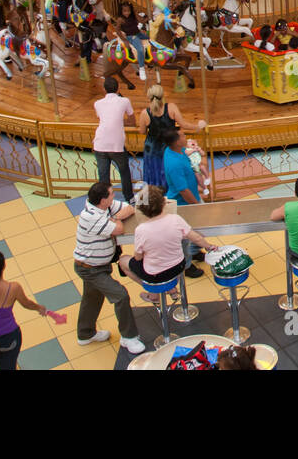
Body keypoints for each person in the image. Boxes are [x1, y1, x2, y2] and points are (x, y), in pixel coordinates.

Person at [72, 180, 145, 354]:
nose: (114, 196)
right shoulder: (90, 216)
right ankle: (129, 337)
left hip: (98, 266)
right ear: (103, 200)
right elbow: (119, 229)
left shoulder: (105, 207)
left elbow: (129, 208)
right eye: (112, 194)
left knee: (92, 298)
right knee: (120, 296)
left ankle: (85, 334)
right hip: (90, 269)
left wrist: (114, 217)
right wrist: (116, 218)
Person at [126, 187, 212, 301]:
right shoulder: (176, 219)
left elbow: (138, 257)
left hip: (156, 274)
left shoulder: (141, 230)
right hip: (178, 267)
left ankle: (154, 292)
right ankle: (169, 289)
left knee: (123, 261)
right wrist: (209, 247)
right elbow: (196, 238)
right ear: (163, 203)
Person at [93, 76, 135, 202]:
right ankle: (129, 197)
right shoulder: (125, 101)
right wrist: (121, 122)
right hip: (116, 144)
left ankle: (105, 201)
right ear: (118, 88)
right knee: (124, 171)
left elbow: (102, 119)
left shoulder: (97, 103)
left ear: (104, 89)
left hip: (100, 143)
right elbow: (132, 121)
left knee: (103, 176)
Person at [135, 83, 183, 193]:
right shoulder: (171, 108)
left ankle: (154, 195)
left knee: (152, 172)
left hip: (152, 148)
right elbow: (182, 123)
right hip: (167, 145)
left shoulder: (145, 113)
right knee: (168, 169)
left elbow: (142, 131)